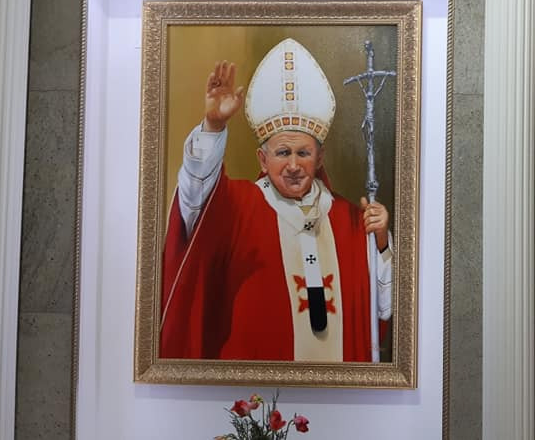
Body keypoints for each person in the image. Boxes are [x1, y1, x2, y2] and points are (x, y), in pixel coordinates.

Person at [160, 38, 393, 362]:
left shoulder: (349, 219)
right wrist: (213, 125)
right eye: (283, 152)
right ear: (262, 159)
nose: (294, 165)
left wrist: (380, 243)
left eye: (304, 153)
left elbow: (383, 310)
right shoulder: (238, 207)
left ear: (320, 157)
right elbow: (194, 197)